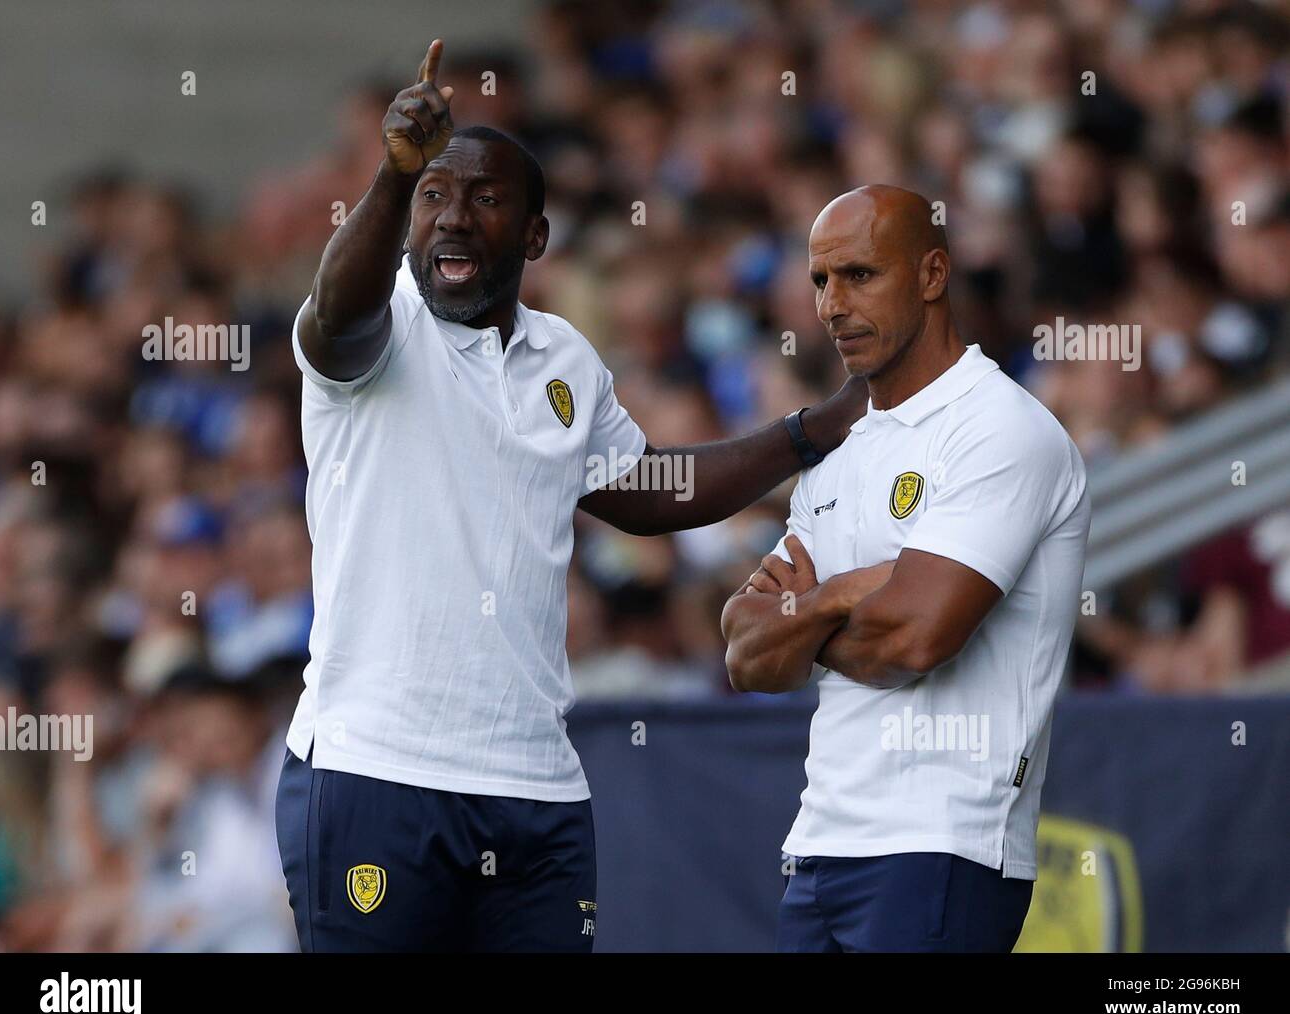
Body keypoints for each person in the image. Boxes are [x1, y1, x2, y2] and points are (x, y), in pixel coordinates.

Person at [273, 39, 864, 952]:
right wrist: (391, 178)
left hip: (536, 786)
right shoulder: (378, 328)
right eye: (434, 197)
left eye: (485, 198)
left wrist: (807, 433)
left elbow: (650, 493)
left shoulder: (565, 361)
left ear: (537, 237)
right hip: (375, 772)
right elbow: (334, 314)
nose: (454, 219)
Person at [721, 185, 1090, 953]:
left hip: (944, 843)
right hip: (820, 845)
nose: (832, 305)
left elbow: (915, 640)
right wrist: (851, 592)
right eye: (821, 280)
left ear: (930, 275)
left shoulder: (1002, 429)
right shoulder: (838, 453)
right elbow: (746, 656)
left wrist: (808, 611)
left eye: (860, 274)